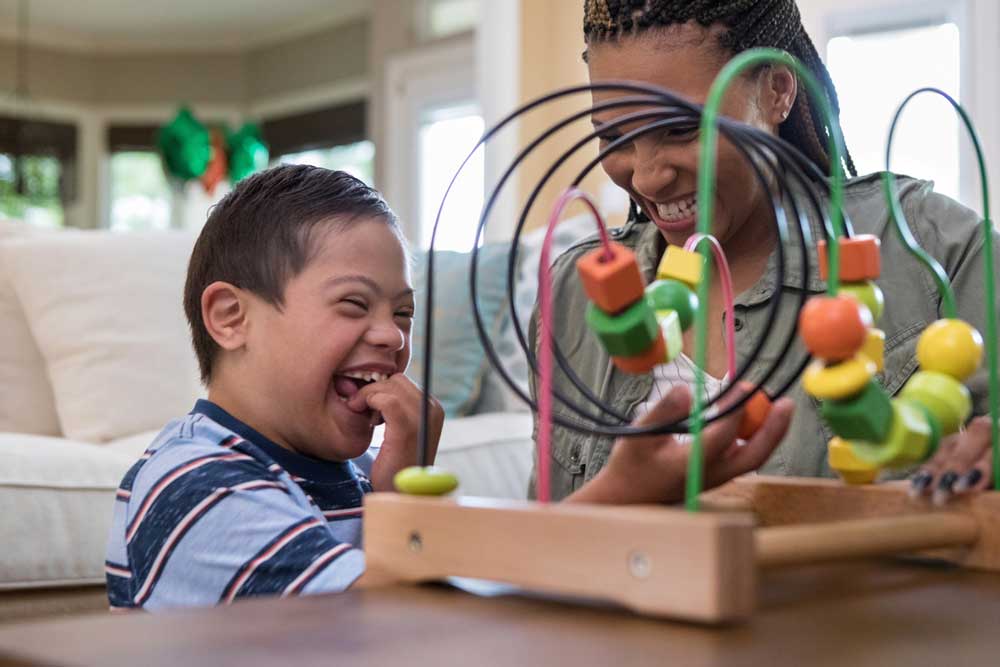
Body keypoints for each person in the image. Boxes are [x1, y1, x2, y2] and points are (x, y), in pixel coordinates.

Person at [530, 0, 999, 503]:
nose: (646, 177)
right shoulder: (571, 296)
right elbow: (539, 551)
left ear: (777, 90)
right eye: (614, 136)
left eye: (683, 128)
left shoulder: (940, 249)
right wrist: (618, 496)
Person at [105, 165, 446, 610]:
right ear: (232, 317)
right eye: (353, 303)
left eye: (403, 313)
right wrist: (401, 504)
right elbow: (399, 628)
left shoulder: (367, 474)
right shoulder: (199, 486)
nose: (392, 335)